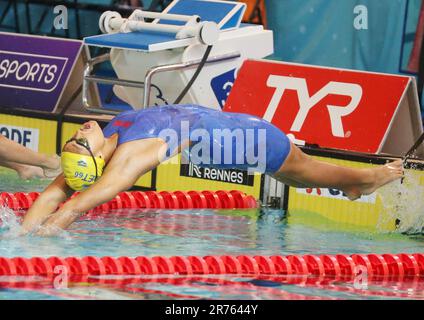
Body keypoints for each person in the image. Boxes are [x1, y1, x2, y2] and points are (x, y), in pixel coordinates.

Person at [20, 104, 403, 236]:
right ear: (95, 159)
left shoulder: (114, 133)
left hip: (228, 126)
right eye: (79, 141)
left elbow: (56, 191)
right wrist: (45, 237)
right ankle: (370, 178)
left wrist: (22, 234)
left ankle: (358, 184)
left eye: (73, 137)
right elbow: (75, 203)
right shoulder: (131, 157)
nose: (79, 132)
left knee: (294, 172)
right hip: (242, 139)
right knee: (298, 168)